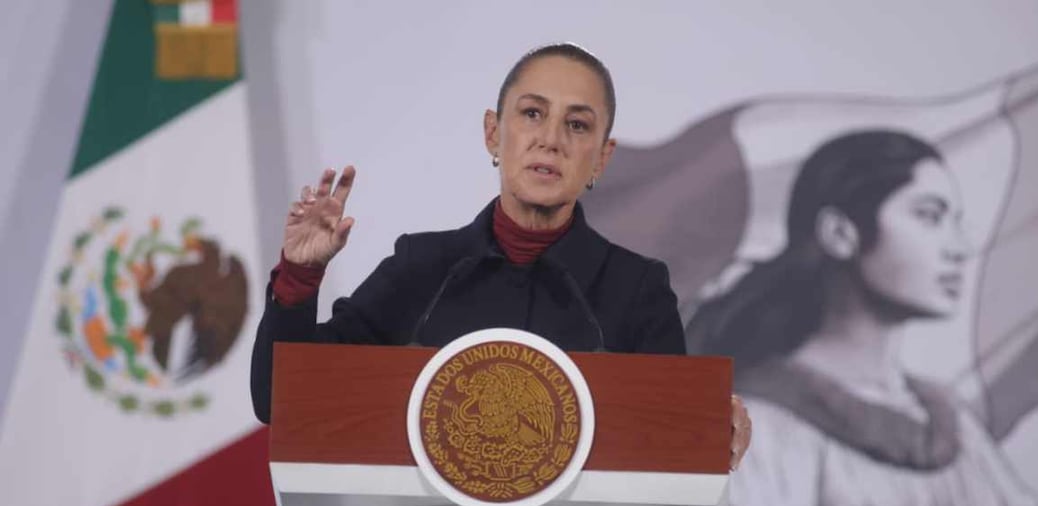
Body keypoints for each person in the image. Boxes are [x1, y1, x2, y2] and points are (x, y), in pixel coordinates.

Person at [661, 130, 1038, 506]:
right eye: (929, 216)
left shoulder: (952, 427)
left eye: (956, 220)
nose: (957, 246)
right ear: (841, 233)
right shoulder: (754, 424)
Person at [248, 42, 752, 462]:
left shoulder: (636, 289)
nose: (550, 140)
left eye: (577, 125)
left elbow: (667, 445)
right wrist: (299, 277)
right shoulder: (421, 268)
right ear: (494, 132)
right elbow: (281, 400)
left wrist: (711, 433)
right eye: (532, 114)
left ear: (602, 157)